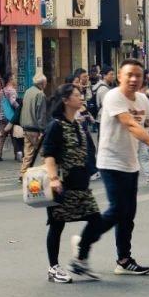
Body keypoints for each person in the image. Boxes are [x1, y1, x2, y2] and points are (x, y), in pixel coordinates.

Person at [69, 58, 149, 279]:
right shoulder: (113, 96)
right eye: (130, 75)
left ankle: (124, 260)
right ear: (120, 76)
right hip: (111, 162)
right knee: (117, 210)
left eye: (138, 75)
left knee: (128, 215)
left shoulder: (142, 99)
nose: (134, 79)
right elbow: (129, 123)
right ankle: (82, 246)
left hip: (130, 163)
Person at [40, 84, 101, 284]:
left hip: (81, 184)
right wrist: (54, 179)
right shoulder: (55, 125)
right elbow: (48, 154)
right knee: (57, 225)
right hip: (63, 184)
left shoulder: (78, 124)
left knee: (96, 220)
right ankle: (53, 268)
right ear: (66, 100)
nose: (81, 97)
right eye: (77, 95)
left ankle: (80, 257)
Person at [18, 73, 48, 175]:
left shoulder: (27, 91)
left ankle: (23, 174)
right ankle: (49, 173)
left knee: (28, 153)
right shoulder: (40, 94)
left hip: (26, 126)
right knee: (45, 151)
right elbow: (41, 114)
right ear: (43, 83)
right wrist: (42, 130)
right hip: (35, 128)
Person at [0, 72, 21, 161]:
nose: (15, 80)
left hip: (2, 116)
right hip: (11, 117)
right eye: (14, 78)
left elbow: (0, 105)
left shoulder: (1, 91)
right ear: (10, 79)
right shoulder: (12, 90)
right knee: (15, 136)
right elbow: (13, 102)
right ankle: (17, 154)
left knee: (1, 136)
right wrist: (19, 107)